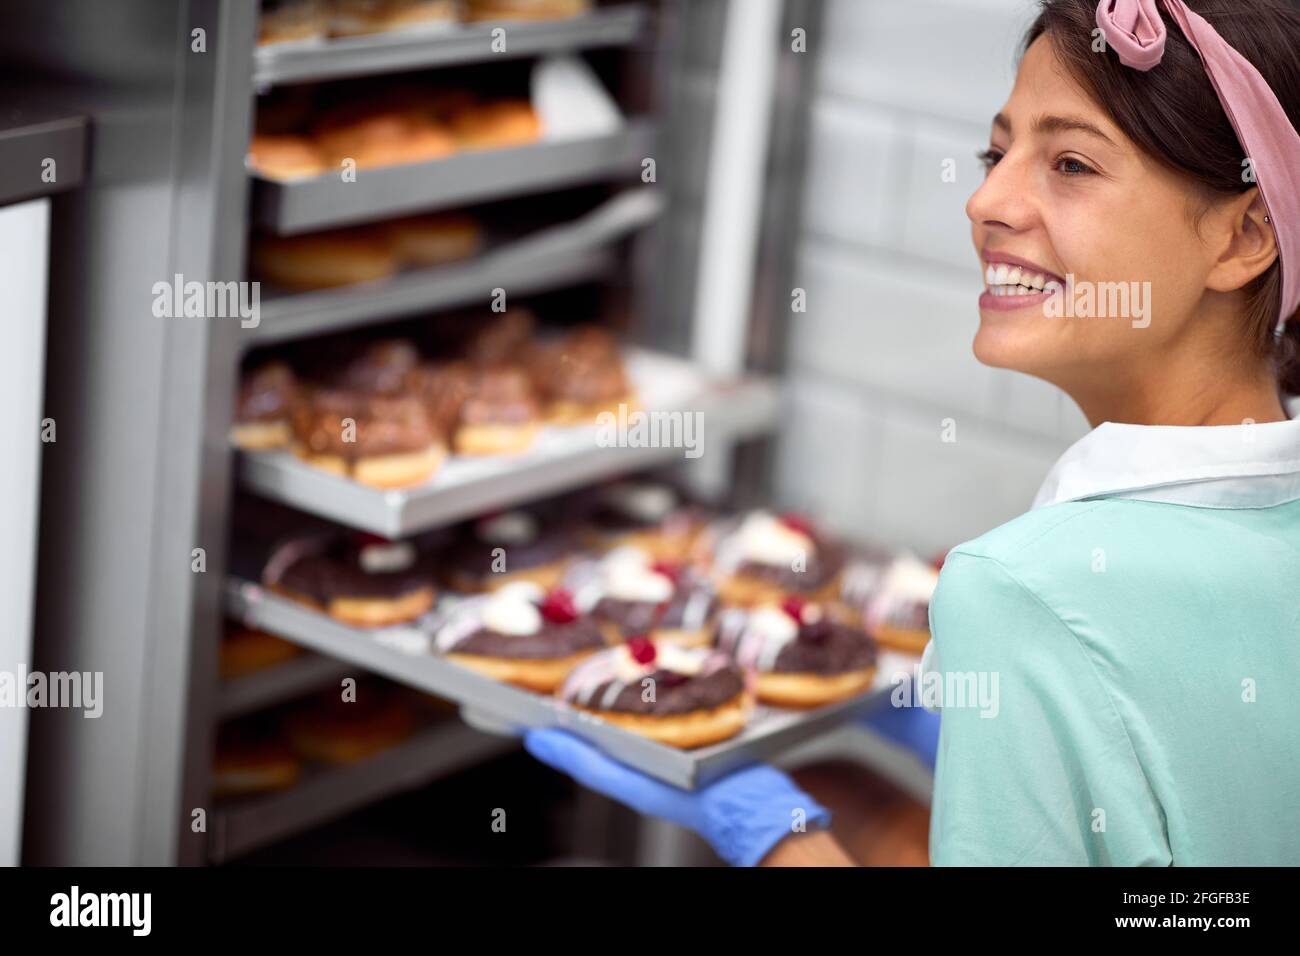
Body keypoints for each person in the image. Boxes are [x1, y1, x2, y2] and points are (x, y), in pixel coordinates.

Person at [526, 0, 1300, 866]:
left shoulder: (1027, 591)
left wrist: (775, 840)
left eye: (1073, 163)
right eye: (996, 154)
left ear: (1246, 234)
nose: (985, 201)